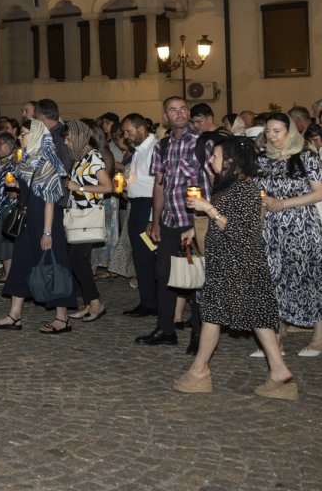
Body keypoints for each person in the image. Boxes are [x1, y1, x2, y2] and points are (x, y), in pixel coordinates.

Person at [176, 137, 298, 400]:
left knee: (212, 315)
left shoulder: (245, 189)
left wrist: (208, 208)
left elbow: (241, 233)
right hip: (235, 262)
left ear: (230, 161)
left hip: (237, 263)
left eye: (216, 157)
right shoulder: (232, 188)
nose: (211, 161)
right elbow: (228, 221)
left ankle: (199, 371)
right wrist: (194, 228)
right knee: (258, 317)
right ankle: (280, 373)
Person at [0, 103, 74, 333]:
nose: (20, 137)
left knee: (53, 265)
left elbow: (49, 200)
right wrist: (16, 184)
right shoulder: (27, 159)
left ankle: (62, 317)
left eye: (24, 134)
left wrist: (47, 232)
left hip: (45, 221)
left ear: (36, 134)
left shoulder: (47, 161)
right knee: (21, 265)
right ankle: (14, 315)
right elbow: (30, 189)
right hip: (27, 219)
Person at [137, 96, 204, 352]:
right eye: (173, 110)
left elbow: (211, 182)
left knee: (197, 277)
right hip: (170, 220)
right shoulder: (162, 146)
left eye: (183, 109)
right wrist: (155, 219)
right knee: (163, 273)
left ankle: (199, 333)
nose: (179, 114)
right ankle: (165, 328)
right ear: (166, 116)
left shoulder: (202, 143)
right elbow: (159, 185)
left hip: (195, 221)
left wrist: (202, 220)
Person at [258, 112, 322, 357]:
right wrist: (265, 203)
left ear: (290, 131)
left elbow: (318, 192)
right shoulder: (264, 159)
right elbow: (259, 191)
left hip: (302, 225)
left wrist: (284, 204)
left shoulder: (306, 156)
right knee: (274, 279)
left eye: (277, 131)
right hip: (272, 228)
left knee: (309, 277)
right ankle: (276, 337)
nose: (272, 137)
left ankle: (318, 337)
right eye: (268, 132)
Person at [64, 120, 110, 322]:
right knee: (78, 260)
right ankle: (90, 302)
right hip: (78, 215)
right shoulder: (80, 159)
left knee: (76, 260)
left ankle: (95, 302)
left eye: (68, 138)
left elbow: (107, 187)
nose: (66, 142)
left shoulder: (94, 158)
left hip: (88, 216)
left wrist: (79, 188)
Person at [121, 113, 159, 319]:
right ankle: (148, 299)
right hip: (137, 205)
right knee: (140, 255)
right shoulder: (139, 150)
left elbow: (157, 186)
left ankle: (153, 301)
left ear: (142, 128)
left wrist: (153, 217)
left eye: (129, 131)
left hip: (148, 206)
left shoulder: (154, 149)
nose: (126, 136)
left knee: (148, 255)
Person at [0, 131, 18, 280]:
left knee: (7, 242)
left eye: (1, 144)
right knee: (0, 240)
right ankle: (8, 271)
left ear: (10, 145)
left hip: (9, 208)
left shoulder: (16, 162)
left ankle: (10, 273)